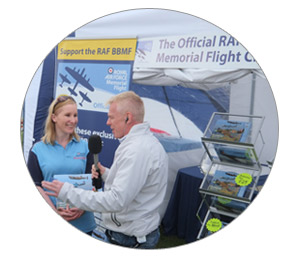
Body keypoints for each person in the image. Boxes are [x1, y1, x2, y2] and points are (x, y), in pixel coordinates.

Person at [42, 91, 168, 248]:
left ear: (127, 117)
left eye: (111, 117)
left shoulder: (137, 150)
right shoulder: (141, 144)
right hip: (130, 235)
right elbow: (133, 187)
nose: (107, 122)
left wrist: (67, 192)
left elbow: (116, 200)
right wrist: (107, 174)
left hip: (130, 240)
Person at [27, 94, 96, 235]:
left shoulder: (86, 147)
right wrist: (54, 212)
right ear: (54, 118)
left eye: (75, 115)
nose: (73, 120)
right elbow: (36, 185)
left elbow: (94, 181)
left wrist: (82, 207)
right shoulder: (37, 150)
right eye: (68, 115)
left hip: (83, 224)